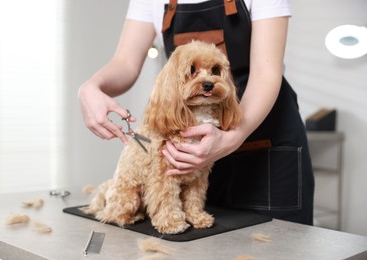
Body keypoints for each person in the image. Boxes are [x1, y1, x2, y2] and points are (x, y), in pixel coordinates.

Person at [78, 0, 315, 225]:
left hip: (265, 144)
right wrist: (91, 87)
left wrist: (233, 135)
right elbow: (125, 63)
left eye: (214, 70)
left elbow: (266, 72)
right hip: (196, 150)